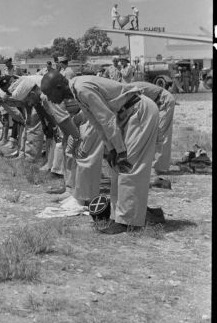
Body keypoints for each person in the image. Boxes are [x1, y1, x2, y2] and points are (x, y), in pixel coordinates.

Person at [41, 71, 159, 234]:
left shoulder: (82, 88)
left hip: (140, 112)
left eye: (49, 94)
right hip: (128, 115)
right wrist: (111, 149)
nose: (50, 99)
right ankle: (126, 216)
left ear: (59, 87)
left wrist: (120, 150)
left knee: (129, 166)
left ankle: (128, 222)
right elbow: (96, 122)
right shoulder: (77, 90)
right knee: (117, 167)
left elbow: (107, 119)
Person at [127, 81, 175, 176]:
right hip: (158, 101)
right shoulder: (128, 89)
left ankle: (159, 167)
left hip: (164, 101)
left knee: (161, 133)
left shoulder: (130, 89)